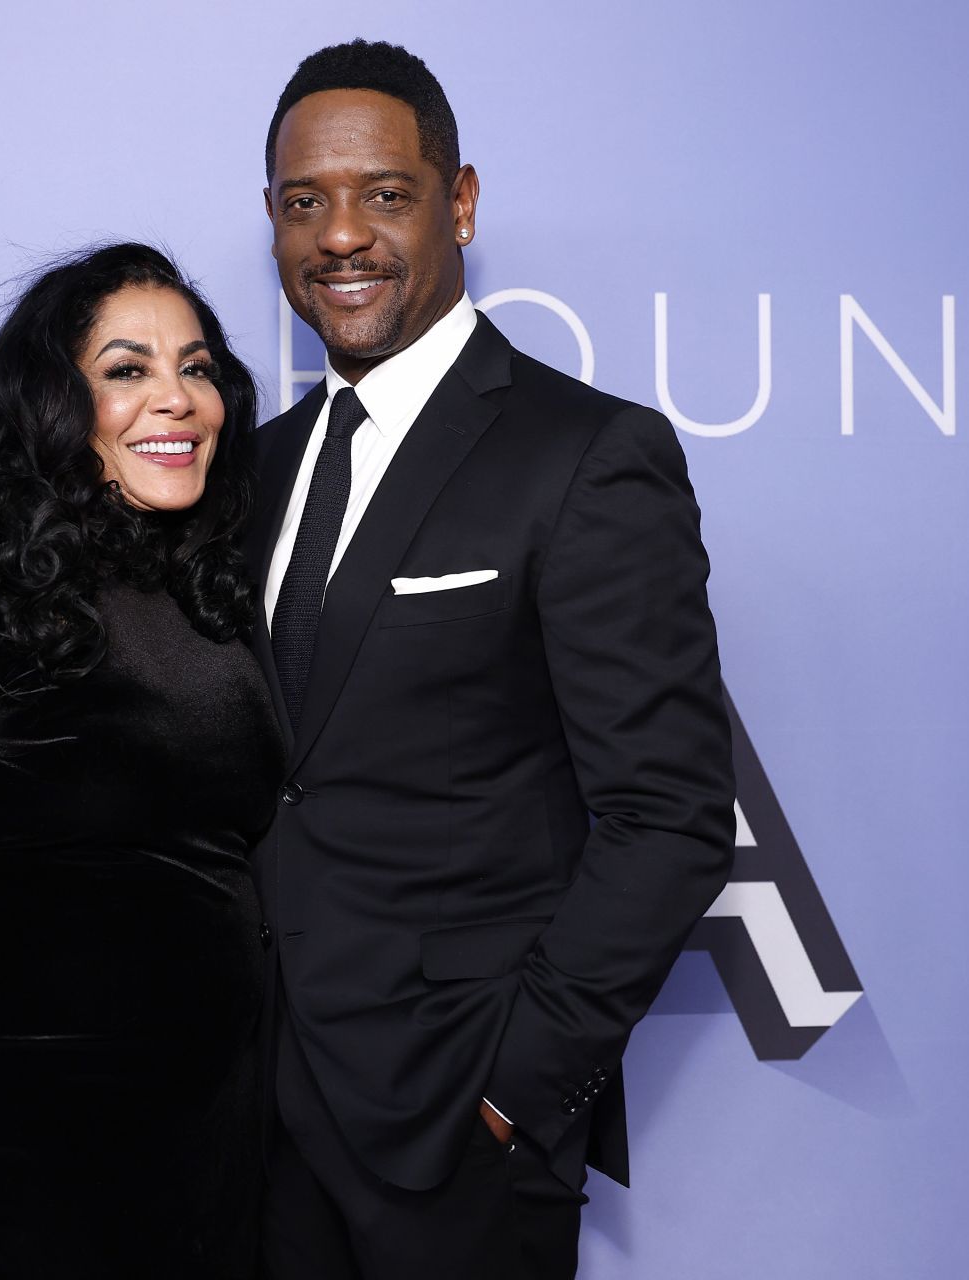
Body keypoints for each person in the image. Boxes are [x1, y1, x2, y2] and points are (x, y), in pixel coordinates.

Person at [245, 41, 737, 1279]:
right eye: (306, 202)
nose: (341, 234)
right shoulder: (249, 470)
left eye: (385, 194)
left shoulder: (585, 455)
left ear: (459, 201)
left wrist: (520, 1084)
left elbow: (669, 814)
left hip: (459, 1131)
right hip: (246, 1118)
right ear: (272, 223)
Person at [0, 243, 281, 1280]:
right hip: (32, 1153)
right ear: (53, 399)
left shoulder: (211, 580)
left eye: (198, 367)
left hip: (224, 1147)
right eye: (128, 370)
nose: (176, 398)